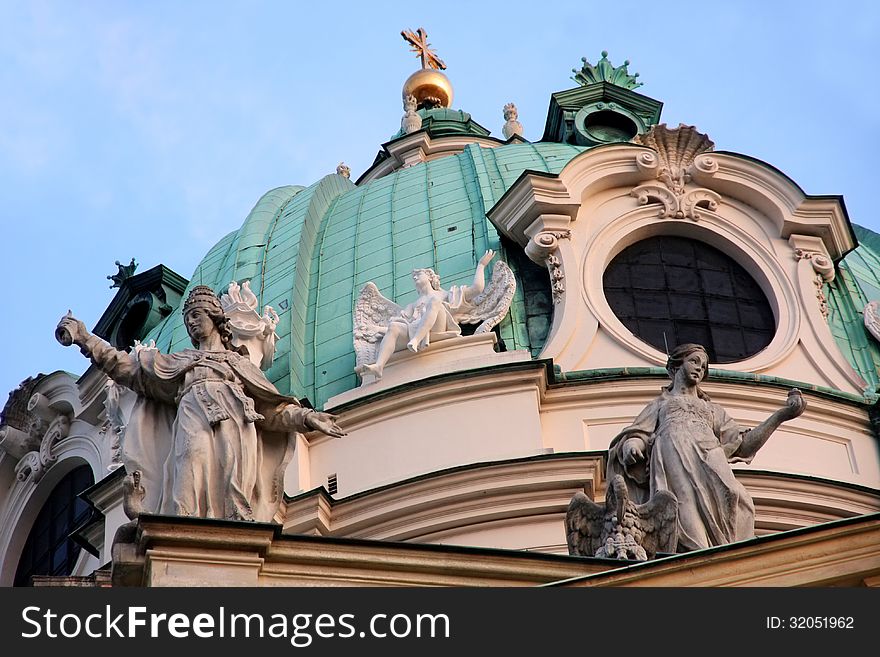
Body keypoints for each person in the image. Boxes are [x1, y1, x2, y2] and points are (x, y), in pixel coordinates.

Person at [56, 285, 345, 522]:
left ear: (215, 318)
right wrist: (85, 338)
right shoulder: (180, 363)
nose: (192, 322)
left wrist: (306, 418)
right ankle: (184, 527)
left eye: (197, 315)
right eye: (189, 318)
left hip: (236, 424)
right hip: (193, 417)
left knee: (234, 477)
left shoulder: (237, 364)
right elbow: (125, 369)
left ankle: (235, 523)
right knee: (190, 460)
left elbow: (270, 411)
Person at [606, 343, 806, 552]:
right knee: (684, 506)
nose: (699, 369)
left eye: (703, 366)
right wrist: (632, 444)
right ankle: (697, 553)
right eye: (694, 361)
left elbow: (744, 446)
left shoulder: (712, 410)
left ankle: (726, 555)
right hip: (674, 455)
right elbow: (639, 432)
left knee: (740, 500)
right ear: (675, 367)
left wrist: (781, 416)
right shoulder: (662, 403)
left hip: (711, 458)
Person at [358, 250, 496, 379]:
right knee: (394, 326)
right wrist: (376, 329)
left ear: (430, 277)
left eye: (419, 274)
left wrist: (481, 265)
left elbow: (477, 289)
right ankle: (379, 366)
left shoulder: (445, 295)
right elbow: (399, 326)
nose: (415, 277)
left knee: (435, 302)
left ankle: (417, 340)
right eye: (414, 276)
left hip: (437, 328)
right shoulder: (412, 306)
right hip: (415, 329)